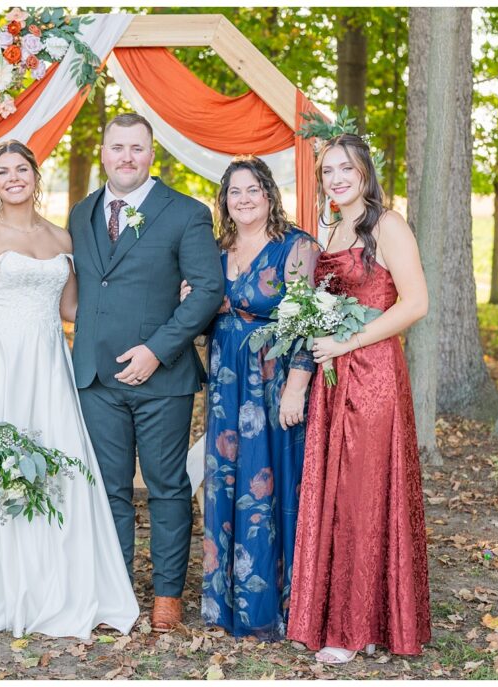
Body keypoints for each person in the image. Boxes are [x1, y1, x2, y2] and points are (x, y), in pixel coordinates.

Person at [0, 140, 139, 639]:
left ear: (37, 177)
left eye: (22, 169)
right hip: (0, 363)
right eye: (3, 172)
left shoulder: (61, 237)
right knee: (6, 468)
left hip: (49, 365)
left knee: (59, 462)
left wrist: (145, 304)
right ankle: (8, 579)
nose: (14, 178)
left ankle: (59, 577)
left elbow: (73, 310)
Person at [68, 113, 225, 631]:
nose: (127, 157)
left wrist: (156, 351)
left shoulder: (185, 213)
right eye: (118, 148)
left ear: (151, 154)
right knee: (109, 489)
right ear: (105, 152)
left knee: (166, 486)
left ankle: (166, 597)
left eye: (137, 148)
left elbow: (206, 290)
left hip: (162, 378)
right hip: (96, 379)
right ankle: (115, 594)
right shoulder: (82, 212)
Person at [286, 133, 431, 661]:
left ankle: (355, 627)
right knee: (336, 492)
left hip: (372, 375)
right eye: (328, 171)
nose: (337, 178)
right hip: (332, 378)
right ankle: (354, 619)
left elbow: (415, 303)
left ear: (365, 171)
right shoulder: (332, 228)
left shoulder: (387, 224)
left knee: (364, 492)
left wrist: (348, 340)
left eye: (346, 168)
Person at [191, 155, 319, 640]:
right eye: (234, 192)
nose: (243, 200)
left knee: (273, 485)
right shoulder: (213, 249)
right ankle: (227, 606)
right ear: (224, 200)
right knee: (226, 483)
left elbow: (309, 320)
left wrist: (297, 384)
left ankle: (277, 606)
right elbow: (202, 311)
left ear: (269, 195)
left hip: (272, 382)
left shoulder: (297, 247)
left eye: (253, 190)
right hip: (225, 382)